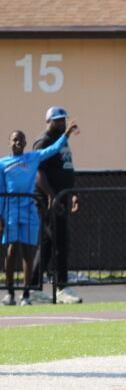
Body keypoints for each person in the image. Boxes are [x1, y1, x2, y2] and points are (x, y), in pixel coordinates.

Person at [3, 122, 79, 305]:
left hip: (29, 209)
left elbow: (53, 149)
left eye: (21, 140)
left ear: (26, 142)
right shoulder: (2, 164)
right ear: (9, 143)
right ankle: (10, 292)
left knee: (28, 251)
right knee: (11, 250)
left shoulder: (32, 157)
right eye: (14, 140)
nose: (18, 143)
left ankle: (27, 294)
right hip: (11, 212)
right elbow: (1, 191)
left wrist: (66, 134)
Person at [32, 106, 81, 304]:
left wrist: (74, 193)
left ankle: (33, 287)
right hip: (50, 200)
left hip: (62, 196)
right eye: (57, 120)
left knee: (47, 245)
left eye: (63, 120)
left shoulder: (62, 141)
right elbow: (38, 172)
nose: (61, 123)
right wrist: (52, 196)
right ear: (48, 121)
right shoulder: (44, 140)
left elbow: (67, 168)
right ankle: (61, 287)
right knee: (60, 242)